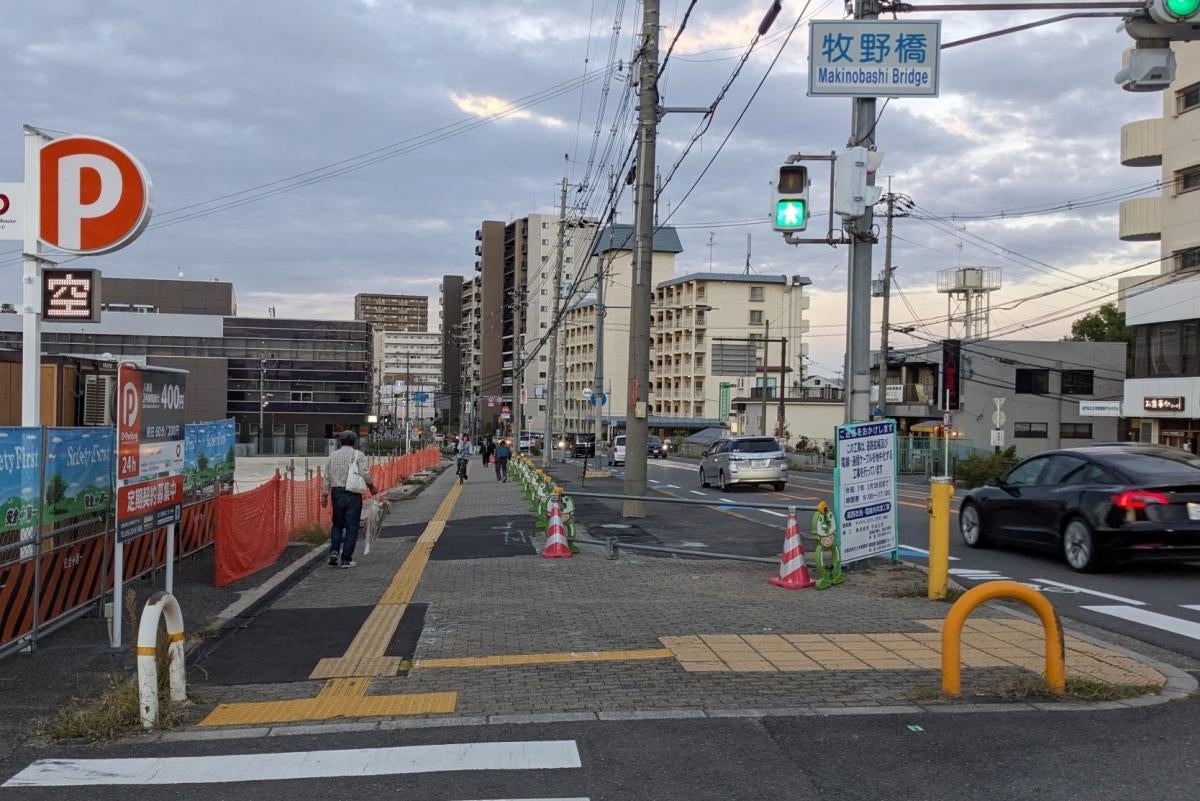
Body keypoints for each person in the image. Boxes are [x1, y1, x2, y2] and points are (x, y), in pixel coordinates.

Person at [321, 430, 378, 569]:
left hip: (336, 493)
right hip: (353, 494)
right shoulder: (359, 455)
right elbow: (364, 473)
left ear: (340, 442)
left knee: (337, 524)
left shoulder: (332, 456)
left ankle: (334, 551)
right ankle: (346, 559)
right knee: (352, 527)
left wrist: (324, 495)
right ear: (354, 442)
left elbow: (327, 476)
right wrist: (372, 487)